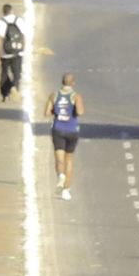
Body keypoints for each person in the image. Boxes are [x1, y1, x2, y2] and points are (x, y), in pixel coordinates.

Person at [43, 73, 84, 201]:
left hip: (58, 129)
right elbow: (80, 112)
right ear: (73, 83)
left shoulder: (54, 95)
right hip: (72, 130)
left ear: (62, 82)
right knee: (69, 159)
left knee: (59, 158)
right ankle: (66, 189)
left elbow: (46, 113)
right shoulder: (76, 96)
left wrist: (58, 113)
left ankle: (61, 175)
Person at [0, 4, 26, 102]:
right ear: (12, 11)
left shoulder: (0, 22)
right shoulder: (19, 20)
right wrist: (23, 49)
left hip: (5, 53)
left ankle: (5, 95)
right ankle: (15, 88)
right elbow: (23, 35)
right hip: (18, 52)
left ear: (3, 11)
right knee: (17, 73)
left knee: (4, 73)